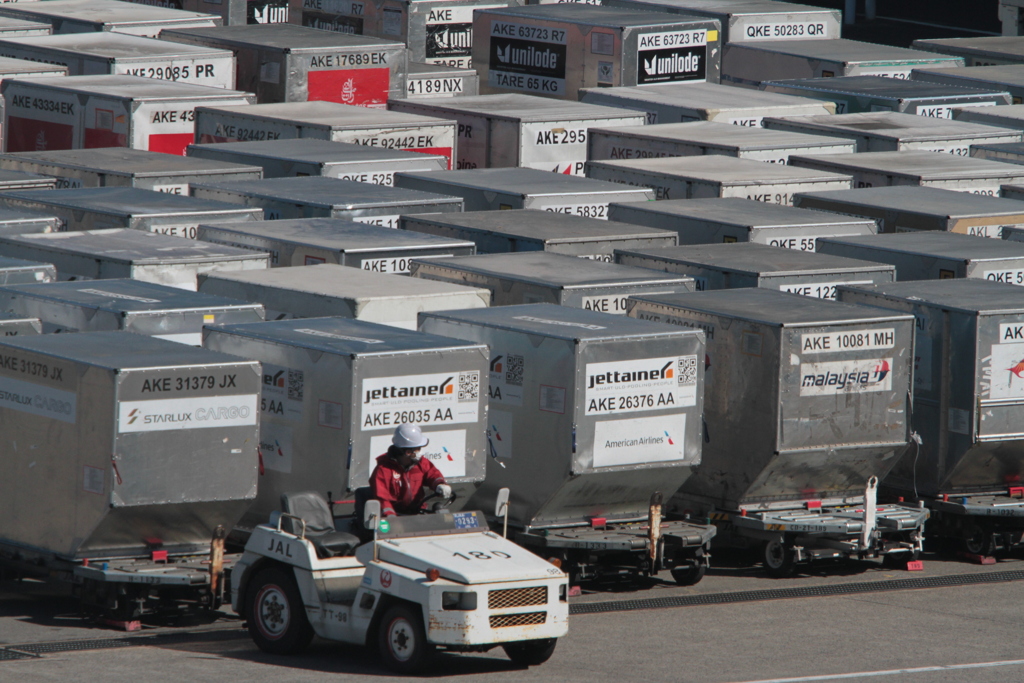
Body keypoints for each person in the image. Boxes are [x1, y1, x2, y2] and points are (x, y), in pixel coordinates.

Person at [370, 424, 451, 516]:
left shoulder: (421, 463)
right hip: (397, 517)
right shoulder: (383, 470)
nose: (420, 452)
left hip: (419, 514)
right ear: (408, 452)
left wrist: (440, 484)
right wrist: (391, 518)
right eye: (418, 449)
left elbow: (432, 474)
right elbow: (382, 499)